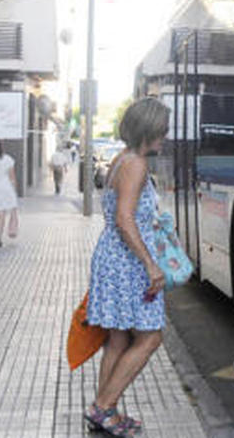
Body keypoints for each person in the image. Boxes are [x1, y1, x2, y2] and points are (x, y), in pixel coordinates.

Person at [83, 98, 171, 437]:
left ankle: (106, 413)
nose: (165, 135)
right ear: (147, 129)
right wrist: (150, 264)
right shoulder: (136, 164)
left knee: (118, 340)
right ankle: (103, 407)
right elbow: (124, 218)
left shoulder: (122, 159)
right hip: (127, 262)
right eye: (162, 129)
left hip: (113, 258)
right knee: (150, 337)